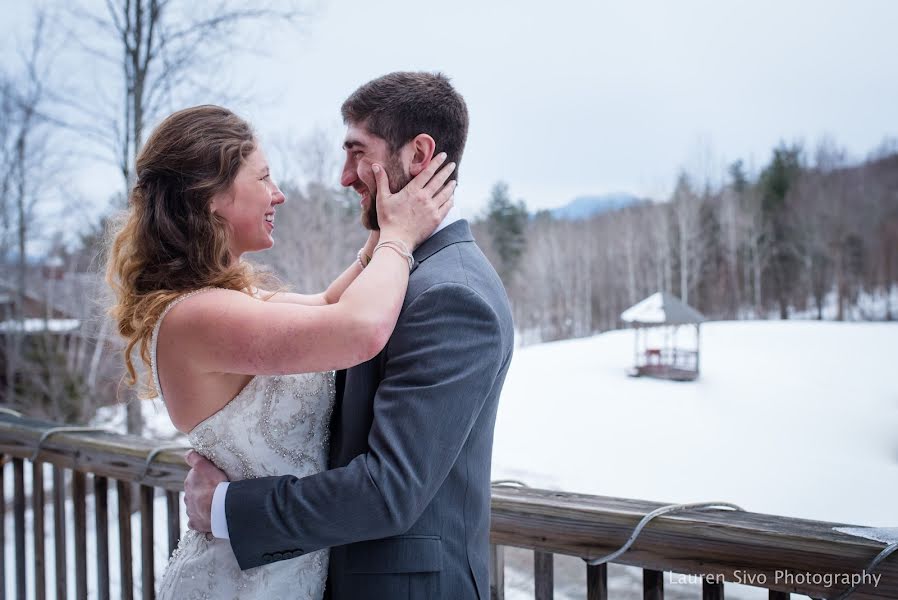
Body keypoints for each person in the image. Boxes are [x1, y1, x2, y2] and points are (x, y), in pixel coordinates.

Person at [184, 72, 515, 600]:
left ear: (419, 154)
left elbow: (389, 491)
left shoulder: (452, 295)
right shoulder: (400, 276)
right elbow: (327, 315)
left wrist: (225, 507)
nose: (343, 176)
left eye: (357, 152)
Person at [105, 103, 456, 599]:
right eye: (264, 178)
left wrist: (383, 220)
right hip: (239, 583)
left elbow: (329, 305)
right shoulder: (198, 316)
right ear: (211, 198)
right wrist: (401, 237)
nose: (279, 194)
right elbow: (358, 330)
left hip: (276, 570)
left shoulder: (228, 303)